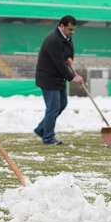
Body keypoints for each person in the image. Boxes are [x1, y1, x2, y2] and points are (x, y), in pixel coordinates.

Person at [34, 15, 84, 145]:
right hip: (48, 78)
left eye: (73, 30)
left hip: (58, 78)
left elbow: (67, 54)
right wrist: (73, 77)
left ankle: (41, 129)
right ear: (61, 26)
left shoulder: (66, 37)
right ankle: (48, 138)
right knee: (53, 107)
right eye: (69, 29)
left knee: (62, 104)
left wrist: (70, 58)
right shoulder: (53, 40)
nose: (72, 32)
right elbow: (59, 64)